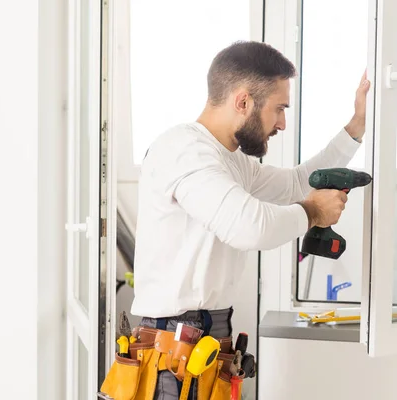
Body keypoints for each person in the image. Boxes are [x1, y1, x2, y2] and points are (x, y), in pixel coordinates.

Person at [130, 40, 369, 399]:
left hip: (210, 338)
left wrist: (355, 127)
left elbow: (295, 183)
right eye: (279, 109)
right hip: (174, 347)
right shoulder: (183, 150)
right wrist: (315, 211)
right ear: (243, 101)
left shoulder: (230, 160)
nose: (283, 123)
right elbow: (248, 227)